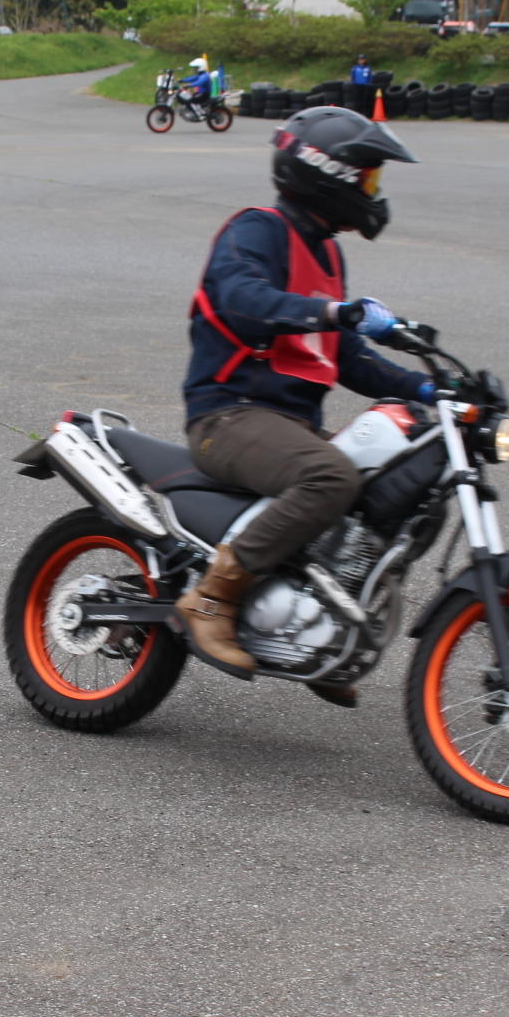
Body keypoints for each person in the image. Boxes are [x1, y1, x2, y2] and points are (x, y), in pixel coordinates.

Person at [176, 106, 432, 701]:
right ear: (327, 172)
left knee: (377, 481)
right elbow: (242, 297)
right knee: (329, 477)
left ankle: (313, 632)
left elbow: (349, 360)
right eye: (367, 177)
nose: (374, 190)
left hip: (288, 426)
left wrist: (430, 389)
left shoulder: (329, 255)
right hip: (227, 415)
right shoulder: (257, 229)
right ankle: (211, 597)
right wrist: (330, 311)